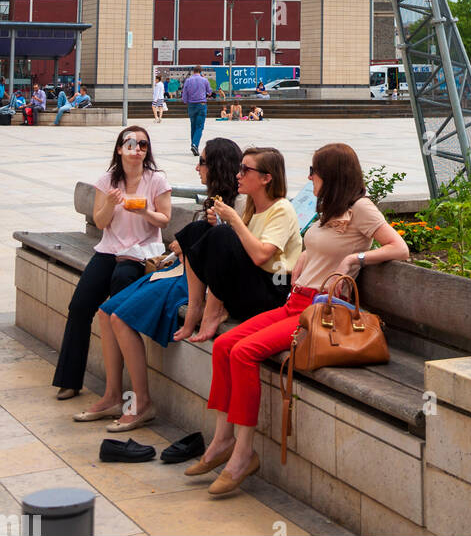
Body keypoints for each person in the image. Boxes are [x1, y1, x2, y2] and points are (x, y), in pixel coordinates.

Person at [190, 142, 409, 497]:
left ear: (332, 175)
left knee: (244, 353)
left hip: (318, 312)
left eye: (314, 171)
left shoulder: (361, 209)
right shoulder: (330, 208)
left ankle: (243, 453)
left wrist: (357, 258)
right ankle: (222, 440)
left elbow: (399, 248)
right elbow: (318, 246)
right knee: (225, 344)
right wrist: (306, 254)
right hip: (295, 302)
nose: (308, 177)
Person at [76, 140, 242, 430]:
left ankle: (141, 404)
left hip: (189, 280)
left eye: (202, 162)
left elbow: (231, 253)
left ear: (216, 166)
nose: (197, 167)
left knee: (120, 318)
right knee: (105, 312)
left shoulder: (237, 204)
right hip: (178, 270)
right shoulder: (217, 200)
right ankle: (114, 396)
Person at [53, 127, 171, 401]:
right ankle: (70, 380)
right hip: (108, 249)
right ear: (120, 149)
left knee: (119, 298)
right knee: (80, 306)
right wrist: (109, 203)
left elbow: (165, 219)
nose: (137, 148)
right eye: (130, 143)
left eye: (143, 144)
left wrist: (144, 211)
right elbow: (101, 221)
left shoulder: (157, 180)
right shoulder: (107, 181)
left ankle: (118, 390)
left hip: (141, 253)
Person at [172, 146, 299, 344]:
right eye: (240, 169)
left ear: (266, 178)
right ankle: (196, 306)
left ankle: (213, 311)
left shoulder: (282, 208)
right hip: (251, 285)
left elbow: (260, 256)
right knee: (197, 229)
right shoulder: (251, 205)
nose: (238, 175)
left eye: (245, 170)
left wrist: (233, 220)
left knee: (222, 233)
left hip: (273, 291)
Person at [182, 65, 212, 157]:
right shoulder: (204, 80)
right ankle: (195, 144)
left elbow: (185, 92)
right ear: (201, 71)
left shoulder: (188, 80)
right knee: (199, 126)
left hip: (191, 105)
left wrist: (185, 101)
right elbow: (209, 92)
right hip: (201, 104)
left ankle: (193, 144)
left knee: (193, 125)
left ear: (193, 71)